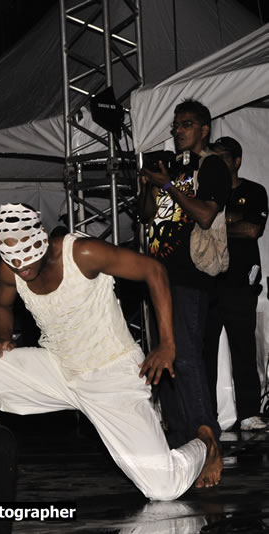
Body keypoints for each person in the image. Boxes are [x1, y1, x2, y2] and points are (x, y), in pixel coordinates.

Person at [0, 203, 222, 499]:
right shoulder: (11, 270)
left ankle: (205, 444)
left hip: (111, 374)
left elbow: (154, 270)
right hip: (58, 367)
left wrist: (167, 344)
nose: (21, 266)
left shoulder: (82, 253)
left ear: (40, 238)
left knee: (163, 487)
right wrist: (2, 340)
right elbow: (0, 304)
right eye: (12, 257)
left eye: (25, 253)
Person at [138, 99, 229, 448]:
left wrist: (168, 187)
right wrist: (149, 185)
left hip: (190, 275)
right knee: (164, 357)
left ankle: (206, 437)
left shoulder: (211, 166)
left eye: (186, 124)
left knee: (186, 355)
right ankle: (178, 441)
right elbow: (147, 215)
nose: (178, 131)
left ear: (204, 129)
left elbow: (205, 215)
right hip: (158, 275)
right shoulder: (170, 166)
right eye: (175, 125)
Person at [203, 136, 268, 431]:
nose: (217, 162)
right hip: (208, 282)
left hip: (241, 282)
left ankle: (248, 413)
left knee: (243, 347)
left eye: (223, 157)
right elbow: (199, 227)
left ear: (237, 161)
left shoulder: (254, 191)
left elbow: (253, 229)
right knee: (205, 351)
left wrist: (216, 223)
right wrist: (231, 220)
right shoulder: (205, 192)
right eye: (213, 157)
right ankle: (206, 416)